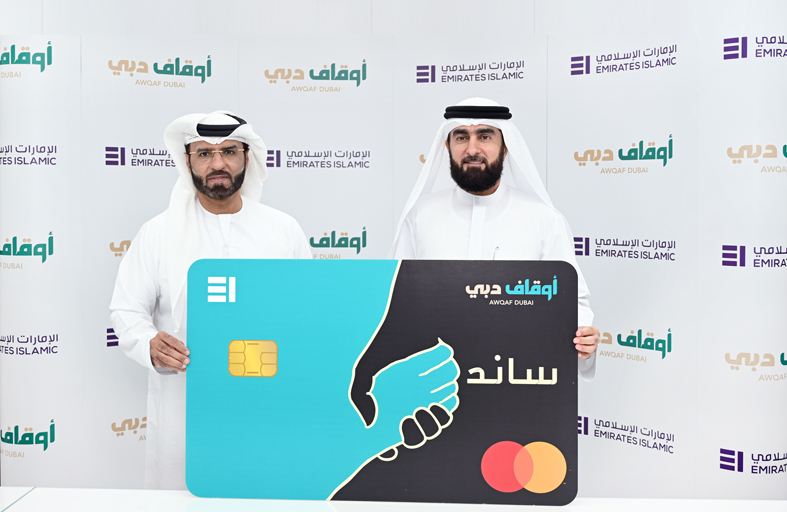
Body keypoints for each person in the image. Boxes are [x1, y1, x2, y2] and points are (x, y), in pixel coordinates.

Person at [109, 111, 311, 489]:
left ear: (247, 158)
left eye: (229, 151)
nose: (218, 164)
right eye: (204, 154)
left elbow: (308, 312)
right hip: (185, 403)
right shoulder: (157, 233)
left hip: (268, 399)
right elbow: (127, 309)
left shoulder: (283, 230)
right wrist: (148, 343)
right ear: (188, 162)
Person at [390, 98, 600, 378]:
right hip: (435, 378)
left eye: (485, 136)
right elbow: (396, 299)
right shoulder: (419, 216)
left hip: (515, 377)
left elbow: (570, 302)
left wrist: (584, 341)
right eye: (461, 137)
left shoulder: (544, 220)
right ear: (448, 146)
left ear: (505, 146)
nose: (472, 149)